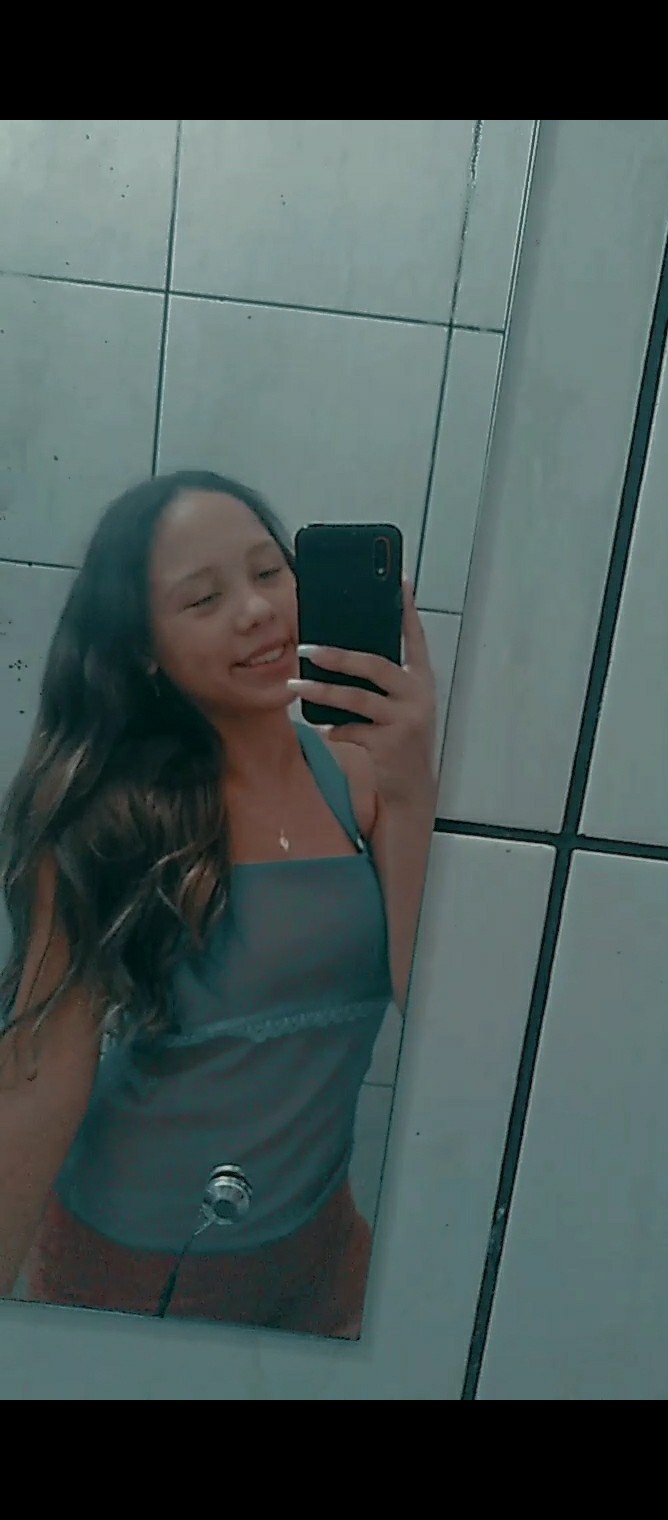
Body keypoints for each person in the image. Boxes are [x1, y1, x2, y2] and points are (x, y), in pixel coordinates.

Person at [0, 470, 437, 1338]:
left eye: (269, 572)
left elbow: (430, 1004)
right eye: (204, 599)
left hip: (325, 1243)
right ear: (144, 650)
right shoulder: (109, 821)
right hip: (136, 1261)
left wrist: (414, 783)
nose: (257, 611)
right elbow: (37, 1083)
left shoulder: (359, 782)